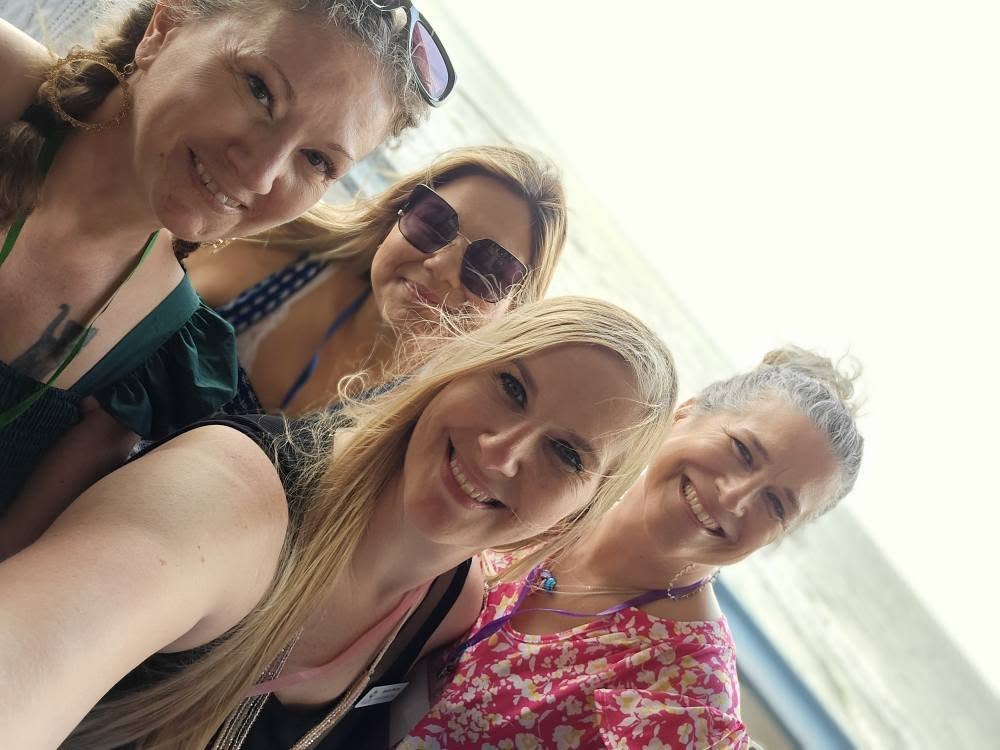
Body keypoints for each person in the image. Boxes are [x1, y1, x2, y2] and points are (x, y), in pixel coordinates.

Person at [0, 296, 678, 749]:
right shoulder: (232, 497)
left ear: (582, 510)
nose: (502, 454)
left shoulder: (447, 606)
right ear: (456, 369)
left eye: (566, 454)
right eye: (511, 387)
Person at [0, 0, 445, 547]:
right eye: (260, 90)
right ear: (165, 27)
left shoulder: (158, 353)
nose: (260, 174)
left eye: (317, 161)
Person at [399, 347, 864, 750]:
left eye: (776, 505)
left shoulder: (686, 692)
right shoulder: (553, 483)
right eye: (743, 451)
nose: (733, 498)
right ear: (685, 413)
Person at [187, 144, 566, 415]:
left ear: (514, 308)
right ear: (396, 216)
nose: (441, 266)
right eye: (435, 222)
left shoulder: (443, 423)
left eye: (491, 268)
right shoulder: (275, 246)